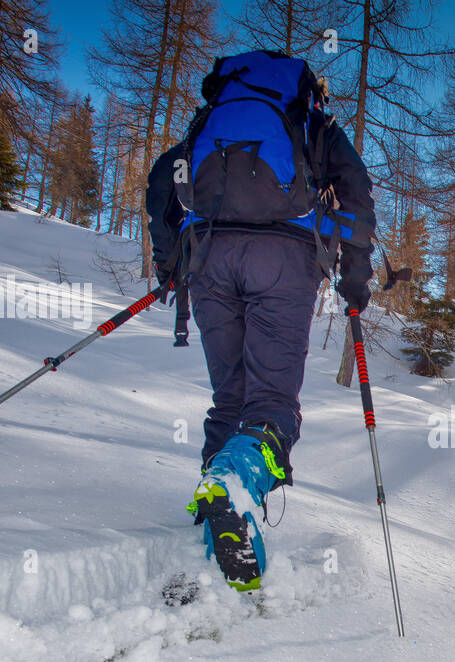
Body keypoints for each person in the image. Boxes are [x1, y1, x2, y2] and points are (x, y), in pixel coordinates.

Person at [146, 51, 376, 590]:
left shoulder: (208, 125)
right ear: (308, 93)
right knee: (271, 404)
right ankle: (231, 486)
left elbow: (162, 184)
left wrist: (169, 262)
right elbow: (357, 191)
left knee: (231, 400)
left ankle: (216, 531)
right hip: (284, 263)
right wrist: (355, 281)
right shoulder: (314, 125)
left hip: (208, 259)